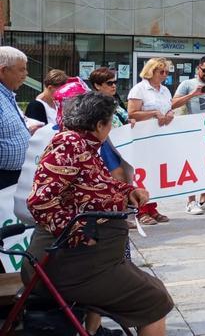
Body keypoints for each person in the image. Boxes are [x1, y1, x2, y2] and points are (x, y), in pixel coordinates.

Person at [23, 92, 173, 335]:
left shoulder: (83, 145)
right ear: (99, 125)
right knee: (153, 300)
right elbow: (41, 201)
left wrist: (127, 192)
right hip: (71, 262)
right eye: (110, 123)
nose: (111, 129)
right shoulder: (70, 144)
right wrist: (79, 234)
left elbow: (94, 185)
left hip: (86, 260)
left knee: (153, 289)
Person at [172, 55, 205, 215]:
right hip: (192, 132)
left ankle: (204, 200)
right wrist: (192, 95)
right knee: (193, 166)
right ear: (198, 68)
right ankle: (191, 202)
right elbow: (173, 103)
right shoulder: (187, 84)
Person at [126, 57, 173, 225]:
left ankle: (152, 207)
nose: (165, 75)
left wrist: (169, 114)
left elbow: (170, 108)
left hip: (160, 138)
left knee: (155, 173)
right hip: (142, 138)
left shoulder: (165, 90)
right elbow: (131, 113)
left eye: (167, 72)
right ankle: (140, 210)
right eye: (161, 72)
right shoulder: (139, 89)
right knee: (142, 174)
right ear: (151, 71)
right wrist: (153, 113)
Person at [0, 46, 42, 190]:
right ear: (3, 70)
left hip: (13, 177)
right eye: (21, 69)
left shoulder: (7, 94)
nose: (26, 74)